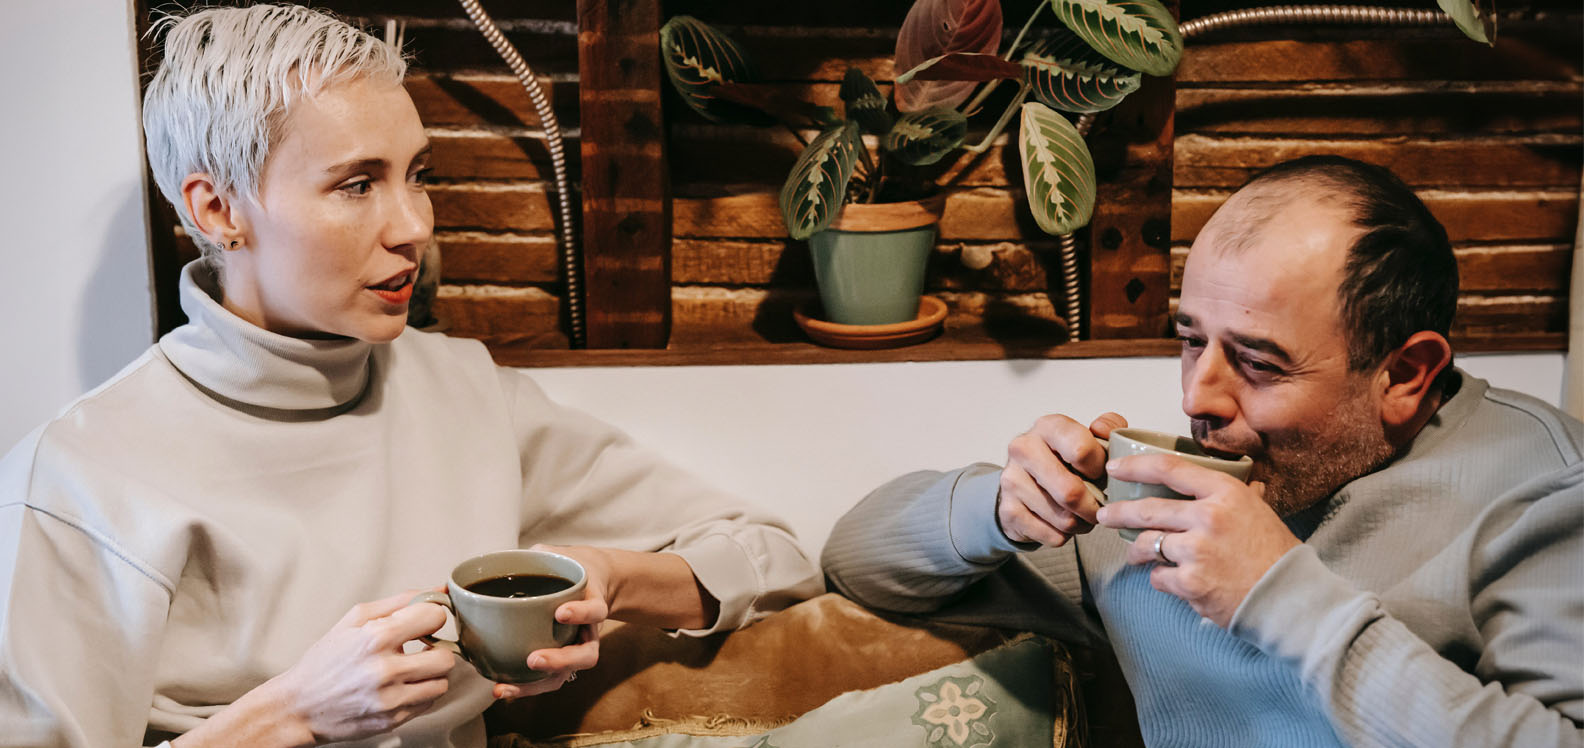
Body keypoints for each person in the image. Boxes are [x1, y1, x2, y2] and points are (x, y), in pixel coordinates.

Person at [0, 5, 822, 747]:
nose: (416, 226)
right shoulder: (77, 478)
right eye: (357, 185)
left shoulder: (463, 392)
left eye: (417, 174)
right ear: (218, 210)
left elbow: (774, 558)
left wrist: (609, 579)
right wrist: (290, 715)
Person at [823, 155, 1583, 747]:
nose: (1198, 397)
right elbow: (853, 566)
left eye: (1258, 362)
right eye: (1192, 341)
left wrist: (1284, 598)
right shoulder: (1165, 495)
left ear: (1406, 374)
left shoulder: (1544, 489)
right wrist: (999, 509)